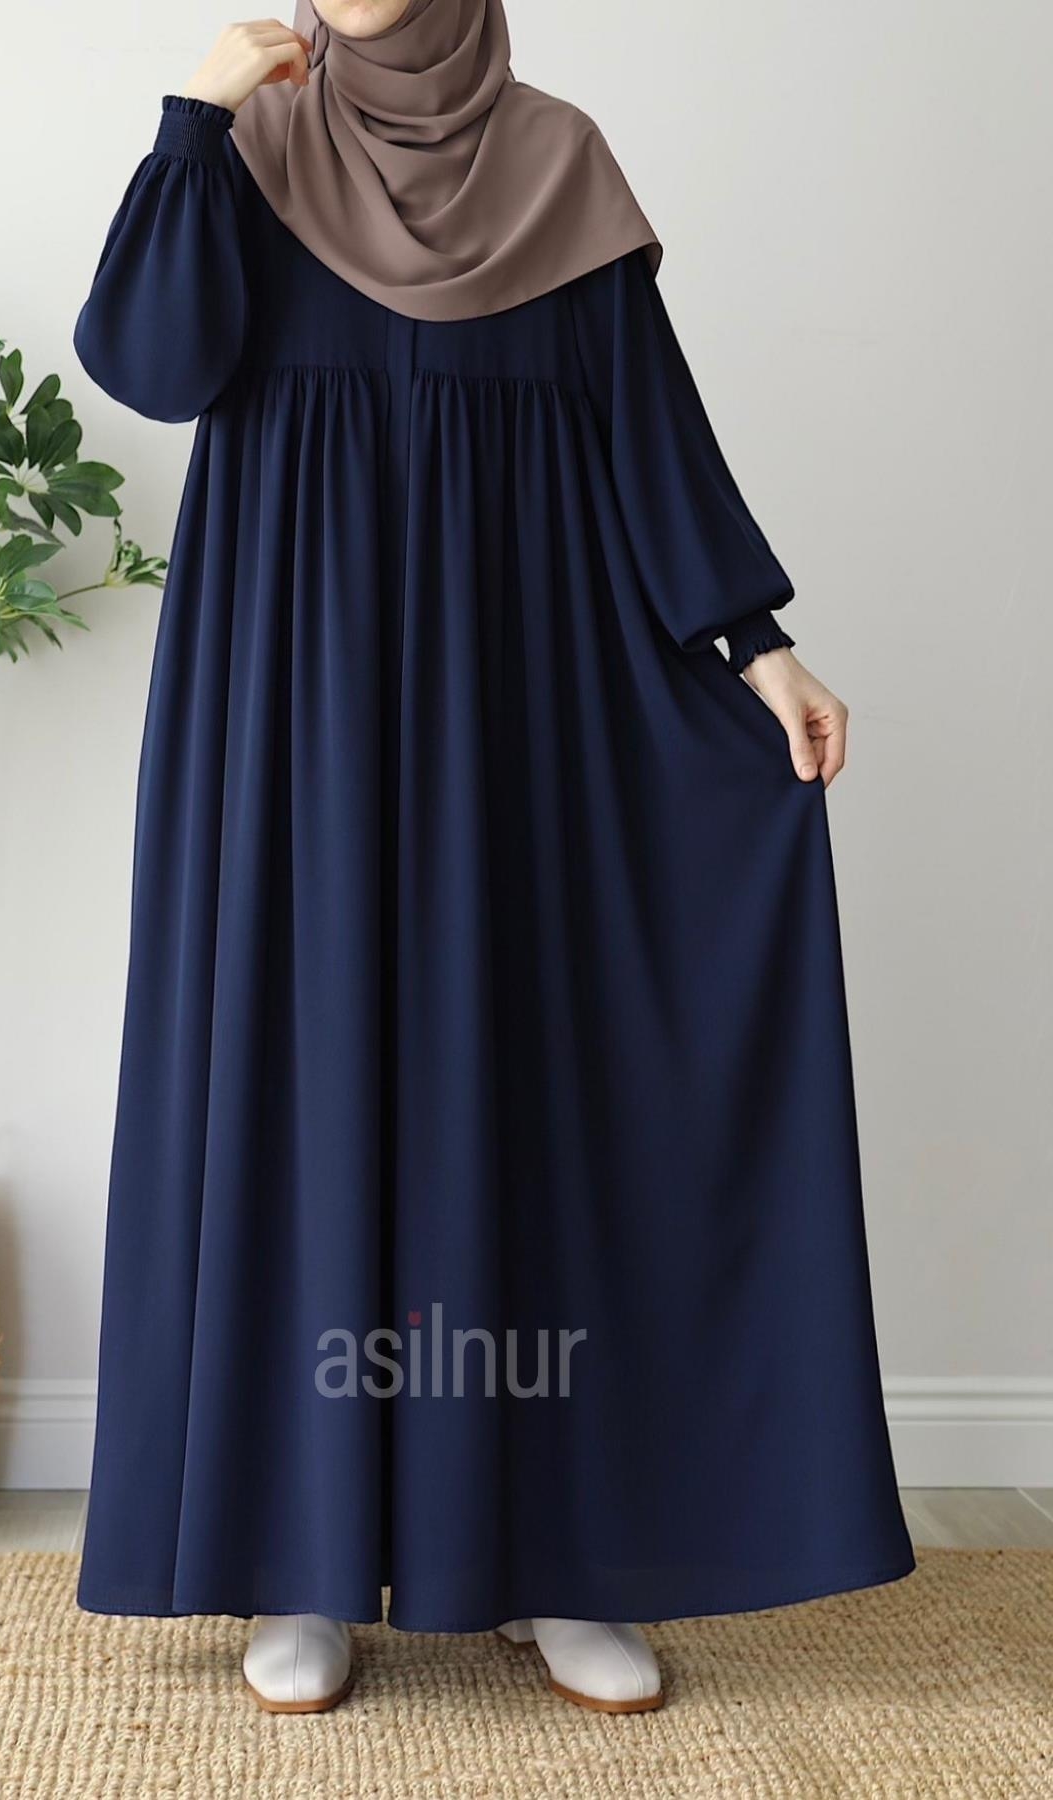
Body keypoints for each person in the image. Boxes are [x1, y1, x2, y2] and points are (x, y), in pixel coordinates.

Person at [72, 0, 915, 1716]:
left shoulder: (556, 161)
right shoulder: (248, 152)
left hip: (526, 698)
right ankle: (302, 1558)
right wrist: (191, 117)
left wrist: (760, 648)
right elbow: (152, 366)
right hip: (292, 703)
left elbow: (644, 429)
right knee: (303, 1092)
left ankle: (558, 1556)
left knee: (532, 1097)